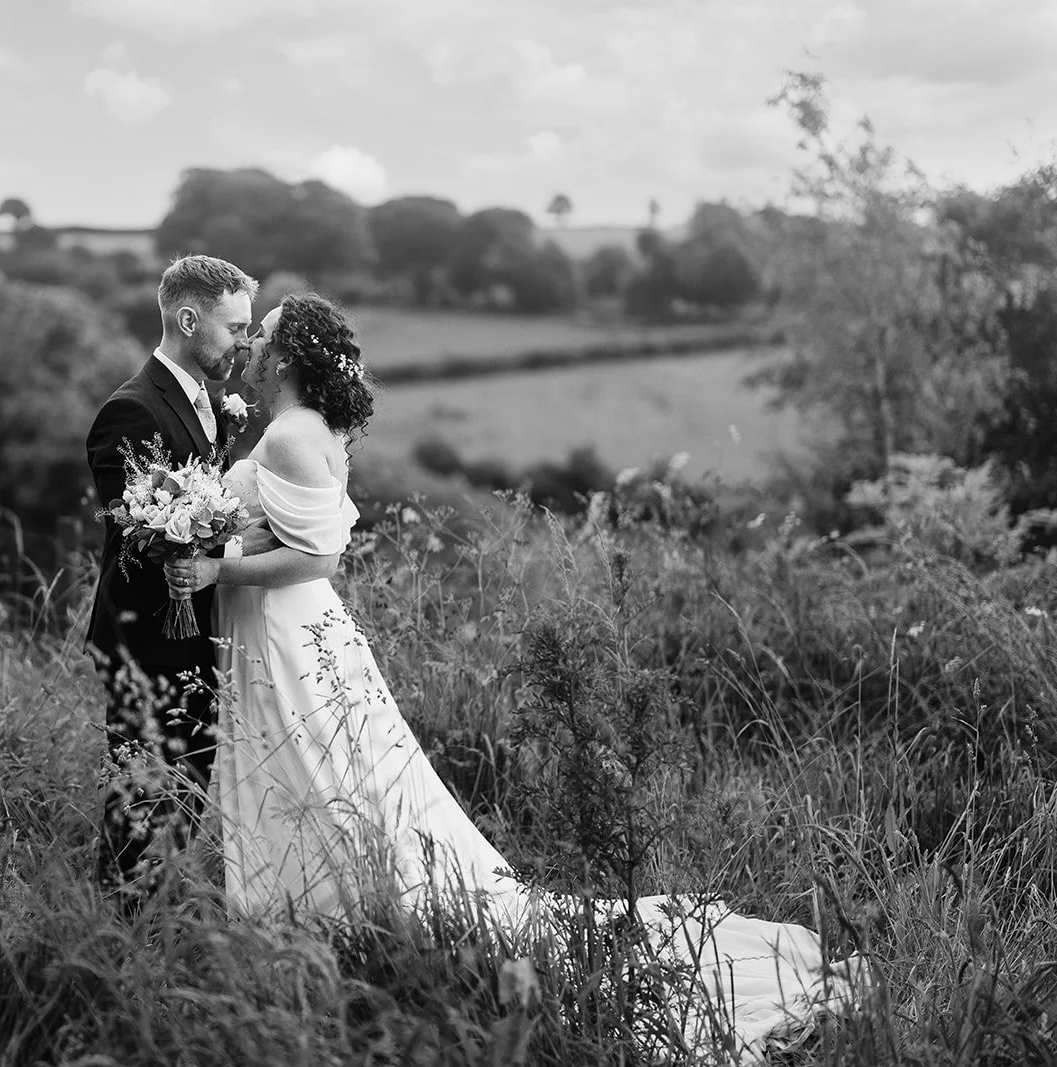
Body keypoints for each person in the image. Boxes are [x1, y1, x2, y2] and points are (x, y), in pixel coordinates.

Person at [167, 292, 867, 1062]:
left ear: (290, 355)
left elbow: (317, 558)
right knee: (337, 776)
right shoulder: (300, 428)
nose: (253, 345)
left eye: (263, 335)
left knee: (323, 774)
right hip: (287, 629)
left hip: (289, 633)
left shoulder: (295, 434)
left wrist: (213, 565)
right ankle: (319, 918)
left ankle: (329, 918)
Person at [85, 254, 257, 903]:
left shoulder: (209, 404)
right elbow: (138, 536)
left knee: (183, 801)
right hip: (147, 645)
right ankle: (113, 938)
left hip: (195, 639)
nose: (245, 341)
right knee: (140, 810)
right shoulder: (129, 412)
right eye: (235, 327)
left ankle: (152, 919)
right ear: (189, 318)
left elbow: (202, 501)